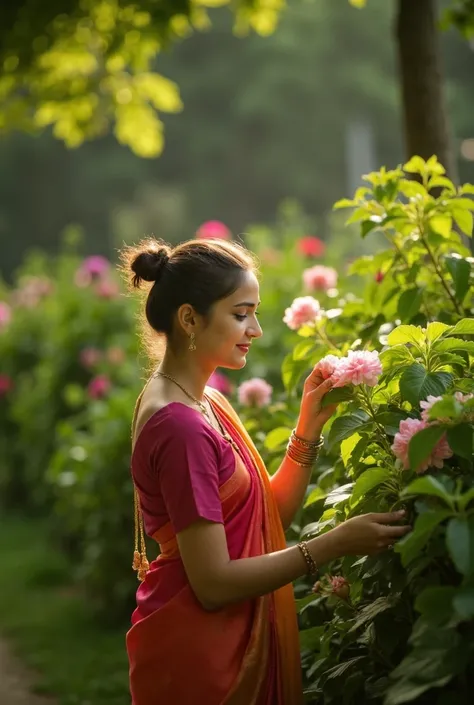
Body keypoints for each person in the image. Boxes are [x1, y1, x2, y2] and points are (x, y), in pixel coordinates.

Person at [121, 237, 410, 705]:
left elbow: (266, 516)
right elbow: (213, 584)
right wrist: (333, 545)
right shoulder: (180, 426)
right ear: (190, 318)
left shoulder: (203, 400)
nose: (255, 328)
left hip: (220, 639)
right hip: (204, 658)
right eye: (240, 313)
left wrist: (307, 426)